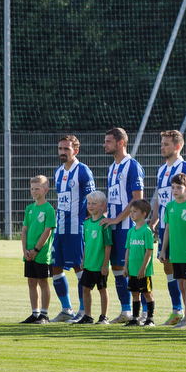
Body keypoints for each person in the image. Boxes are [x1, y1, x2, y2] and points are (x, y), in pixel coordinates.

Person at [102, 127, 144, 324]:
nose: (105, 145)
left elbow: (138, 200)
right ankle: (127, 311)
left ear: (120, 143)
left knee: (135, 270)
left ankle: (144, 313)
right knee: (118, 269)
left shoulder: (133, 166)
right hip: (114, 226)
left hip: (128, 227)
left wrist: (117, 218)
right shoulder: (112, 167)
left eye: (108, 141)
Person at [50, 134, 93, 321]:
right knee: (55, 268)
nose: (62, 152)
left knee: (79, 268)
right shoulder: (58, 172)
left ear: (75, 150)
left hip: (77, 228)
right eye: (60, 148)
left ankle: (83, 311)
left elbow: (92, 201)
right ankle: (67, 309)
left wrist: (88, 225)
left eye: (66, 149)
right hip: (60, 228)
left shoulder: (83, 171)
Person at [152, 130, 186, 326]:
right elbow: (160, 198)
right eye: (162, 143)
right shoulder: (161, 169)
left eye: (166, 144)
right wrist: (153, 222)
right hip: (166, 227)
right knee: (167, 265)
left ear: (178, 146)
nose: (162, 147)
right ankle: (177, 310)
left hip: (181, 229)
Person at [160, 172, 186, 330]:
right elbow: (167, 230)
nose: (175, 190)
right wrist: (163, 250)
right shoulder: (170, 207)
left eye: (179, 187)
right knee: (181, 286)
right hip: (175, 253)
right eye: (173, 187)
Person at [20, 175, 56, 324]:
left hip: (41, 254)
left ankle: (44, 315)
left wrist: (35, 250)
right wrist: (25, 250)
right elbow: (24, 231)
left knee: (43, 282)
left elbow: (47, 232)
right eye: (32, 189)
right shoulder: (29, 209)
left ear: (45, 190)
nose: (34, 191)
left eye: (37, 189)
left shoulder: (49, 209)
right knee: (31, 282)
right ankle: (34, 313)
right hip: (28, 253)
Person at [75, 191, 112, 325]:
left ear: (102, 206)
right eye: (89, 203)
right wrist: (83, 259)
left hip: (99, 265)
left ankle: (104, 317)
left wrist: (105, 265)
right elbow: (86, 243)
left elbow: (108, 246)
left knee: (102, 289)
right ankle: (88, 316)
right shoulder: (86, 223)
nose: (90, 206)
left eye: (94, 204)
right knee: (85, 289)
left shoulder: (104, 224)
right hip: (89, 264)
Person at [123, 199, 156, 326]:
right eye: (130, 211)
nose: (131, 214)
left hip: (143, 270)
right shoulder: (131, 231)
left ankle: (150, 318)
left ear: (144, 213)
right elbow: (128, 251)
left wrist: (143, 268)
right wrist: (126, 267)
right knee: (134, 293)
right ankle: (135, 318)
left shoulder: (147, 231)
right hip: (132, 269)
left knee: (147, 293)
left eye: (134, 211)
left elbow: (149, 251)